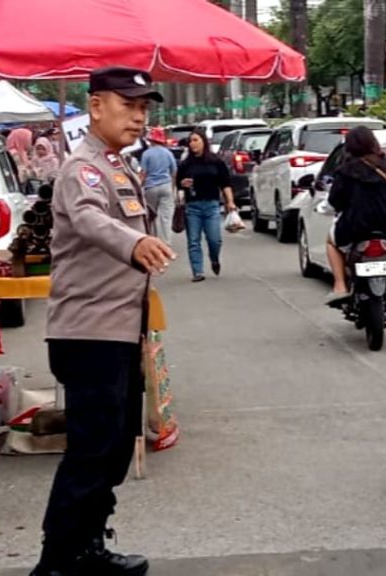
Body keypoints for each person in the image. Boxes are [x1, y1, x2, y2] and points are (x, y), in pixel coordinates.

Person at [34, 66, 175, 576]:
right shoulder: (83, 168)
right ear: (95, 106)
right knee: (92, 451)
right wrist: (134, 243)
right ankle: (57, 561)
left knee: (114, 449)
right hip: (88, 333)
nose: (138, 117)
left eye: (144, 108)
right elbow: (91, 219)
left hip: (117, 331)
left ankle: (88, 545)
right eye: (128, 105)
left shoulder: (118, 163)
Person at [324, 125, 386, 306]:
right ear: (374, 143)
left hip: (353, 230)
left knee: (330, 242)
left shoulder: (344, 171)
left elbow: (334, 201)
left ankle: (340, 285)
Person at [176, 129, 236, 282]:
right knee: (193, 241)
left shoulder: (216, 162)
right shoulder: (185, 164)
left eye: (196, 140)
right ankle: (198, 271)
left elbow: (225, 183)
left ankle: (214, 258)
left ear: (204, 142)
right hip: (192, 206)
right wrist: (182, 184)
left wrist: (230, 201)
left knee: (214, 240)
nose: (192, 144)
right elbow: (178, 184)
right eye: (190, 141)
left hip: (212, 205)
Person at [139, 127, 178, 244]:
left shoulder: (146, 154)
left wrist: (139, 187)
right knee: (166, 217)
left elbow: (143, 173)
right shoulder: (168, 153)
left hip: (150, 187)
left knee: (150, 216)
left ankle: (152, 240)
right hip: (166, 185)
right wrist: (173, 187)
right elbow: (174, 171)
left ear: (151, 140)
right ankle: (166, 242)